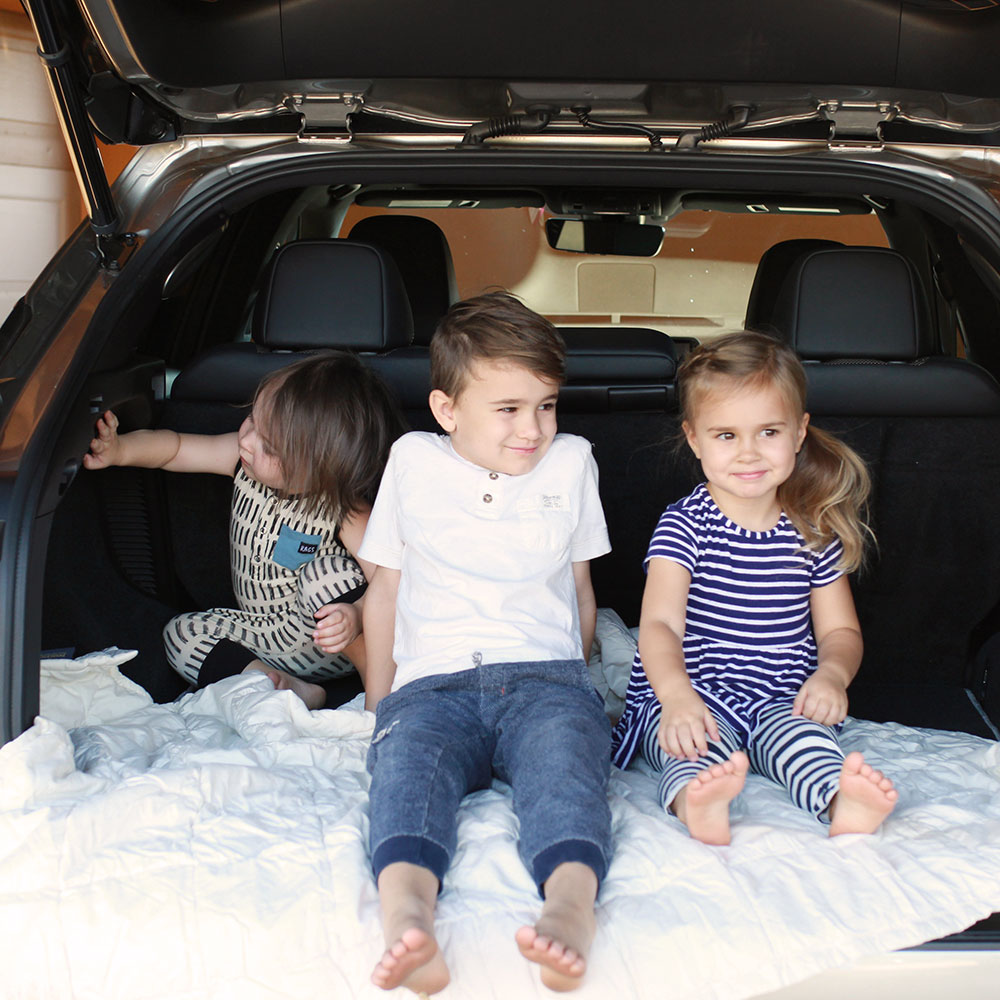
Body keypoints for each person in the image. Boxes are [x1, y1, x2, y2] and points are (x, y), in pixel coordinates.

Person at [359, 291, 613, 994]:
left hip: (544, 677)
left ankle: (568, 909)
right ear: (447, 410)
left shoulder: (572, 462)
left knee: (566, 770)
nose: (533, 428)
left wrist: (581, 683)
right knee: (406, 779)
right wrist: (383, 706)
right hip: (433, 684)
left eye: (547, 404)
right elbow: (386, 589)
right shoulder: (411, 462)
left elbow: (579, 586)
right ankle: (409, 918)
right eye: (508, 409)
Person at [612, 331, 898, 846]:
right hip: (697, 693)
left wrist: (832, 676)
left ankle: (840, 800)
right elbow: (658, 625)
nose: (748, 453)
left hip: (781, 697)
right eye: (726, 436)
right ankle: (699, 802)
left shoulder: (814, 530)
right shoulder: (685, 525)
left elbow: (840, 630)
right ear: (694, 439)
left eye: (768, 431)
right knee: (687, 748)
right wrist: (675, 697)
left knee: (809, 743)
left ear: (799, 432)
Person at [84, 350, 405, 708]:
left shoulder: (343, 508)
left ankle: (376, 694)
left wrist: (356, 616)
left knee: (328, 574)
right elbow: (174, 449)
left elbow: (389, 587)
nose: (247, 440)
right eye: (252, 419)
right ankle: (280, 687)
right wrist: (120, 449)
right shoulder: (241, 463)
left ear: (320, 465)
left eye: (269, 445)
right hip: (260, 630)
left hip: (324, 638)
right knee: (180, 634)